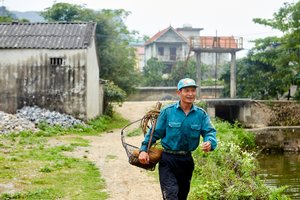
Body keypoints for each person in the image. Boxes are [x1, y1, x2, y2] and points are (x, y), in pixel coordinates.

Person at [138, 78, 217, 200]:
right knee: (171, 195)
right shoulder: (167, 112)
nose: (190, 94)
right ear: (179, 93)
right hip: (168, 160)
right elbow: (154, 133)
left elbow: (209, 132)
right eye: (186, 90)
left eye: (193, 90)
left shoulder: (201, 114)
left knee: (182, 196)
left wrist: (210, 142)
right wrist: (143, 150)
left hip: (186, 161)